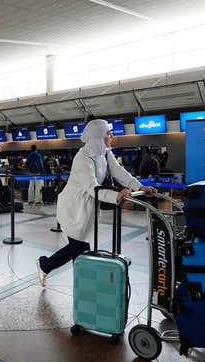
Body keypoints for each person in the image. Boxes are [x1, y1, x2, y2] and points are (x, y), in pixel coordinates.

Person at [36, 120, 156, 286]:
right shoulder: (82, 158)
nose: (112, 136)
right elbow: (92, 188)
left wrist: (139, 186)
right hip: (74, 208)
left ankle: (46, 265)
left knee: (78, 247)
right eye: (108, 133)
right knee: (79, 248)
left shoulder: (105, 153)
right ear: (98, 136)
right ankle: (81, 286)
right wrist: (116, 196)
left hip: (88, 207)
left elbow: (119, 172)